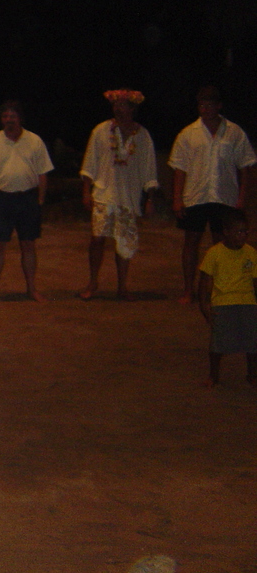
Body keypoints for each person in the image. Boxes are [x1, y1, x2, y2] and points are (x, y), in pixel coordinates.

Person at [170, 87, 257, 304]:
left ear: (219, 106)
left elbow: (245, 167)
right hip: (195, 197)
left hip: (224, 198)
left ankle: (219, 289)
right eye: (201, 105)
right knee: (191, 243)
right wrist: (177, 198)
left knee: (223, 244)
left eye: (209, 104)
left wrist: (241, 198)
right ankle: (189, 290)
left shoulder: (234, 133)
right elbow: (179, 168)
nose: (205, 109)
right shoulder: (188, 133)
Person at [79, 90, 159, 301]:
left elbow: (149, 170)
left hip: (128, 197)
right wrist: (86, 191)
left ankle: (122, 287)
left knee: (123, 242)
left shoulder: (142, 136)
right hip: (104, 193)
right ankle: (93, 281)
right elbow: (90, 163)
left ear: (133, 109)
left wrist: (149, 198)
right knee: (97, 239)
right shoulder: (101, 130)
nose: (118, 109)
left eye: (123, 105)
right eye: (116, 105)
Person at [0, 101, 53, 302]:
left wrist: (40, 200)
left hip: (27, 198)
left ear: (20, 118)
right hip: (2, 199)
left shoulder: (34, 141)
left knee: (28, 245)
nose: (9, 120)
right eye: (5, 117)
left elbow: (43, 172)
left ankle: (31, 288)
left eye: (13, 116)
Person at [197, 208, 257, 387]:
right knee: (218, 343)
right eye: (239, 232)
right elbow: (205, 280)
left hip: (247, 302)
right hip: (223, 303)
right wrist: (204, 303)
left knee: (252, 342)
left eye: (245, 232)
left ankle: (252, 374)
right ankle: (213, 375)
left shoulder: (250, 252)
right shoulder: (215, 253)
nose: (243, 236)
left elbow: (255, 280)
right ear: (227, 232)